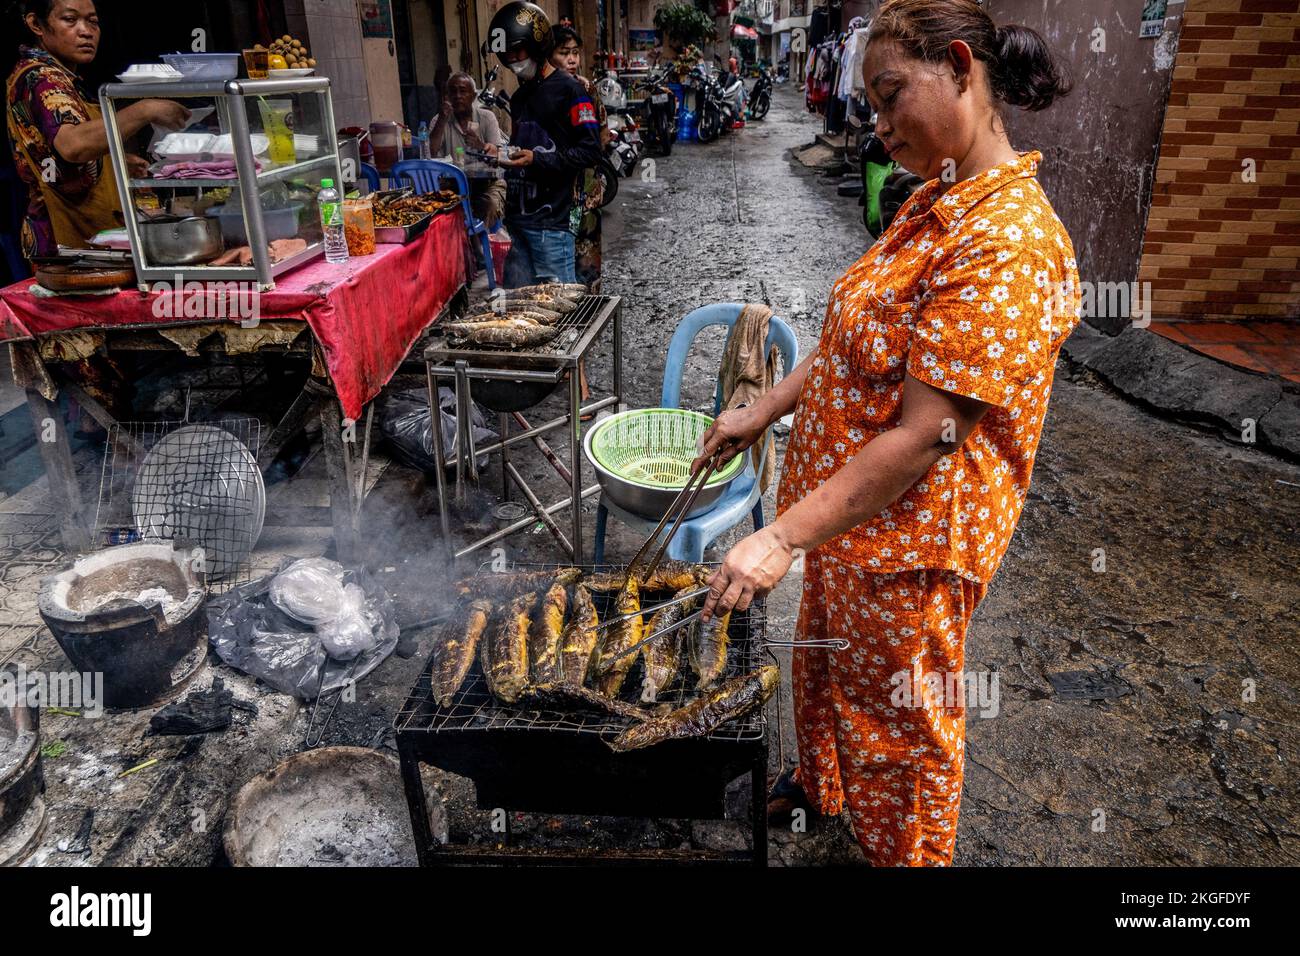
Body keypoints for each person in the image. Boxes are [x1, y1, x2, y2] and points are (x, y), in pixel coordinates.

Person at [692, 0, 1078, 866]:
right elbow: (849, 342)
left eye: (891, 92)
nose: (876, 120)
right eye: (869, 100)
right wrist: (764, 409)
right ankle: (823, 789)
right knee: (826, 670)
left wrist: (778, 537)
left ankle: (904, 855)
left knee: (902, 729)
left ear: (962, 69)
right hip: (848, 519)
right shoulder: (937, 198)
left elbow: (930, 434)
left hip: (910, 542)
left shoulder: (1007, 239)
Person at [6, 0, 189, 257]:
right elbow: (74, 145)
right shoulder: (42, 78)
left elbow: (54, 154)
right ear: (36, 24)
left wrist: (112, 163)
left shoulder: (63, 77)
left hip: (85, 237)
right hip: (66, 242)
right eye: (70, 20)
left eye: (93, 21)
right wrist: (145, 109)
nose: (86, 31)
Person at [484, 1, 601, 288]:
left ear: (537, 45)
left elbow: (590, 150)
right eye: (506, 53)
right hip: (518, 223)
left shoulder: (571, 91)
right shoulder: (520, 97)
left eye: (517, 51)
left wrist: (537, 160)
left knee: (562, 314)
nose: (512, 59)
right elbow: (521, 149)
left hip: (552, 225)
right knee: (520, 311)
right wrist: (501, 154)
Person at [548, 24, 605, 291]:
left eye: (575, 53)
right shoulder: (542, 89)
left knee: (586, 256)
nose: (571, 59)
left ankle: (588, 314)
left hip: (584, 189)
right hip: (555, 191)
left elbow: (599, 139)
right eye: (563, 53)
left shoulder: (584, 90)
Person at [428, 71, 506, 231]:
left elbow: (499, 156)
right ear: (447, 96)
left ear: (473, 95)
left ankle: (479, 242)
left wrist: (480, 145)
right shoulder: (439, 120)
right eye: (453, 92)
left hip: (487, 185)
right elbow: (431, 151)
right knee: (436, 212)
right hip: (453, 186)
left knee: (489, 205)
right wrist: (443, 119)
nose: (457, 96)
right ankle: (471, 246)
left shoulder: (487, 118)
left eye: (463, 91)